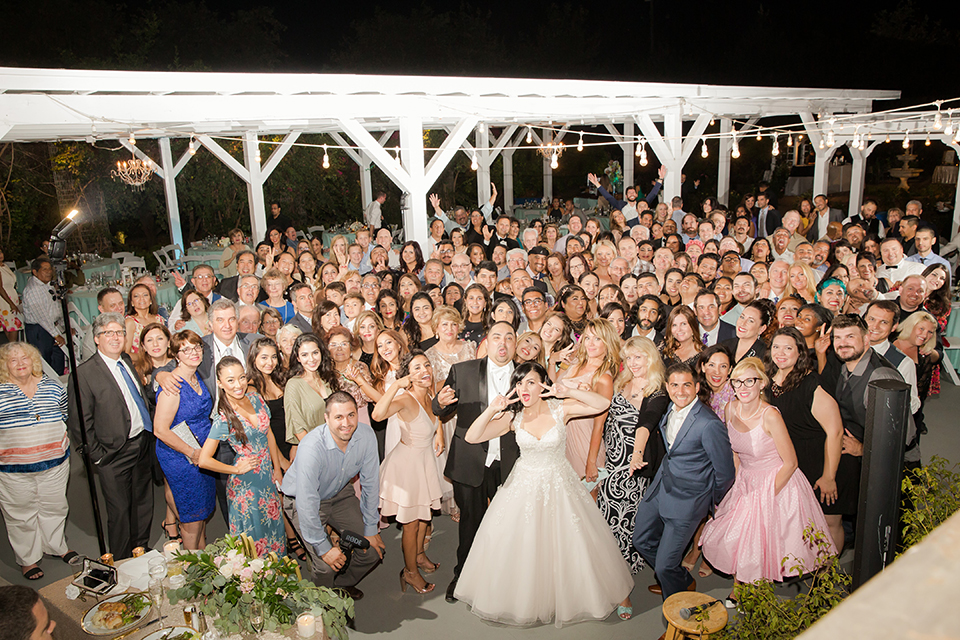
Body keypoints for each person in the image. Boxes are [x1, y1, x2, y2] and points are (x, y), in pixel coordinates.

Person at [454, 362, 632, 626]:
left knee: (576, 542)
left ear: (542, 385)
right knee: (526, 546)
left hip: (561, 485)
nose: (524, 388)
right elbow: (472, 436)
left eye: (530, 382)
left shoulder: (561, 409)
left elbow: (600, 405)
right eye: (519, 382)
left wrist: (566, 391)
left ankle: (613, 594)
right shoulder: (512, 418)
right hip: (523, 486)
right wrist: (493, 408)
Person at [700, 358, 835, 604]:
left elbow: (791, 462)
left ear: (761, 383)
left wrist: (764, 494)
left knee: (777, 540)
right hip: (747, 479)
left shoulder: (770, 415)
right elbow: (735, 453)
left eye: (749, 381)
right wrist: (738, 483)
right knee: (743, 536)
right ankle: (740, 589)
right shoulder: (731, 408)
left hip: (779, 481)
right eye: (737, 381)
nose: (743, 387)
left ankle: (820, 586)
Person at [432, 322, 520, 603]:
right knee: (470, 523)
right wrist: (439, 402)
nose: (503, 343)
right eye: (497, 337)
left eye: (509, 337)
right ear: (487, 342)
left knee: (512, 524)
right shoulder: (463, 370)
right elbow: (441, 407)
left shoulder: (526, 375)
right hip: (470, 461)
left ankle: (509, 576)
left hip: (511, 463)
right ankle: (463, 578)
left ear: (515, 343)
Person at [632, 363, 736, 599]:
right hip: (660, 489)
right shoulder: (670, 408)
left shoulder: (708, 423)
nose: (681, 391)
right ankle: (678, 579)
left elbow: (726, 471)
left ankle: (680, 618)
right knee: (641, 540)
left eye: (687, 385)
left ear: (697, 387)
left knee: (664, 565)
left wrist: (707, 501)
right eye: (675, 385)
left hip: (688, 501)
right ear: (667, 387)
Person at [281, 391, 384, 598]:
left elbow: (371, 483)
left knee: (372, 552)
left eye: (351, 415)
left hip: (340, 494)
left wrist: (371, 527)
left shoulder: (366, 435)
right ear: (326, 418)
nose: (346, 423)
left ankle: (340, 587)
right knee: (325, 566)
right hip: (302, 501)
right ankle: (324, 606)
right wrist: (323, 548)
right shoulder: (311, 447)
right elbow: (307, 501)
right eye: (338, 417)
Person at [67, 313, 154, 559]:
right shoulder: (84, 374)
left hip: (141, 443)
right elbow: (80, 422)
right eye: (109, 333)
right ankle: (123, 560)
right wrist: (98, 457)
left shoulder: (126, 360)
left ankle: (141, 549)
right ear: (96, 338)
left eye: (119, 332)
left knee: (142, 503)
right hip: (112, 454)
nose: (116, 337)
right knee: (119, 512)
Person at [597, 337, 669, 619]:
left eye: (639, 357)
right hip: (609, 465)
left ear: (650, 358)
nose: (633, 364)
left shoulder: (658, 390)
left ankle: (623, 591)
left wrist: (636, 455)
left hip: (632, 471)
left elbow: (647, 422)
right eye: (629, 358)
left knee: (624, 528)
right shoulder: (619, 382)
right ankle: (606, 579)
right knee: (603, 525)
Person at [0, 343, 76, 580]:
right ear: (5, 366)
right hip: (14, 469)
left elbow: (65, 415)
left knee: (55, 506)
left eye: (25, 358)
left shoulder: (53, 387)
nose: (21, 363)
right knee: (20, 514)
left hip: (55, 463)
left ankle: (56, 546)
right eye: (13, 360)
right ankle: (28, 559)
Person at [371, 351, 445, 594]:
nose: (424, 371)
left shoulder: (430, 392)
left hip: (424, 462)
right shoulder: (405, 398)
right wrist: (395, 386)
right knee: (412, 524)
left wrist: (440, 433)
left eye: (426, 365)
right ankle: (410, 572)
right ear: (408, 376)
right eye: (416, 368)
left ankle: (420, 556)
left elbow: (436, 417)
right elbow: (377, 415)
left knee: (426, 517)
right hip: (406, 468)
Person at [199, 357, 284, 556]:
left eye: (241, 377)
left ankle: (279, 583)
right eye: (230, 380)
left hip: (267, 478)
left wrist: (277, 469)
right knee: (255, 544)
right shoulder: (223, 418)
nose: (238, 385)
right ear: (219, 384)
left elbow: (268, 434)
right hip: (246, 488)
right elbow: (204, 460)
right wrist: (236, 469)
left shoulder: (255, 398)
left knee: (274, 533)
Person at [152, 330, 216, 550]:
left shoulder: (195, 375)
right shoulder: (173, 386)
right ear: (176, 355)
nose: (194, 352)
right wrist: (191, 452)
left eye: (197, 347)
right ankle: (194, 570)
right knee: (191, 517)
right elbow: (160, 430)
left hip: (201, 453)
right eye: (186, 349)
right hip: (181, 457)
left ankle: (203, 558)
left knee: (202, 512)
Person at [557, 318, 619, 485]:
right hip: (561, 436)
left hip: (583, 440)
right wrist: (564, 362)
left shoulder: (604, 378)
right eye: (588, 338)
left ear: (608, 343)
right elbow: (555, 386)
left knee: (585, 502)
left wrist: (591, 463)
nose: (591, 343)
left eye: (597, 339)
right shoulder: (576, 363)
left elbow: (599, 425)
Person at [285, 333, 338, 447]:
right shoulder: (293, 385)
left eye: (315, 353)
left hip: (337, 444)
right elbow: (298, 428)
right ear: (298, 358)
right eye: (305, 355)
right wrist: (317, 451)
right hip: (313, 449)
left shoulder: (328, 377)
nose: (311, 359)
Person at [22, 258, 65, 373]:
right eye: (44, 269)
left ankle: (59, 387)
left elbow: (55, 307)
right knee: (44, 366)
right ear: (35, 272)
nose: (49, 272)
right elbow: (41, 317)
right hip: (39, 331)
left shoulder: (47, 285)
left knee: (58, 362)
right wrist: (56, 335)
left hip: (51, 327)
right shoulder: (33, 290)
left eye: (50, 269)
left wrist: (63, 326)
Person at [0, 249, 24, 343]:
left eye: (1, 252)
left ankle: (11, 348)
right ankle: (12, 348)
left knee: (10, 325)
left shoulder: (5, 266)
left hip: (12, 295)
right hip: (5, 299)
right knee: (13, 325)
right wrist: (11, 304)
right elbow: (0, 288)